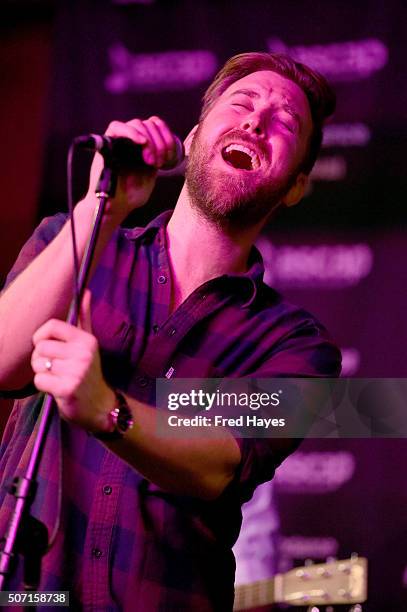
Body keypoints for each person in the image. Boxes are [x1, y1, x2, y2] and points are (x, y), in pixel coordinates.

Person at [0, 52, 340, 610]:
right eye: (244, 103)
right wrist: (100, 210)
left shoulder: (298, 345)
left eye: (285, 123)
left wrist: (108, 410)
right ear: (192, 137)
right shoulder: (75, 239)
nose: (257, 121)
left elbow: (221, 466)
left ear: (298, 185)